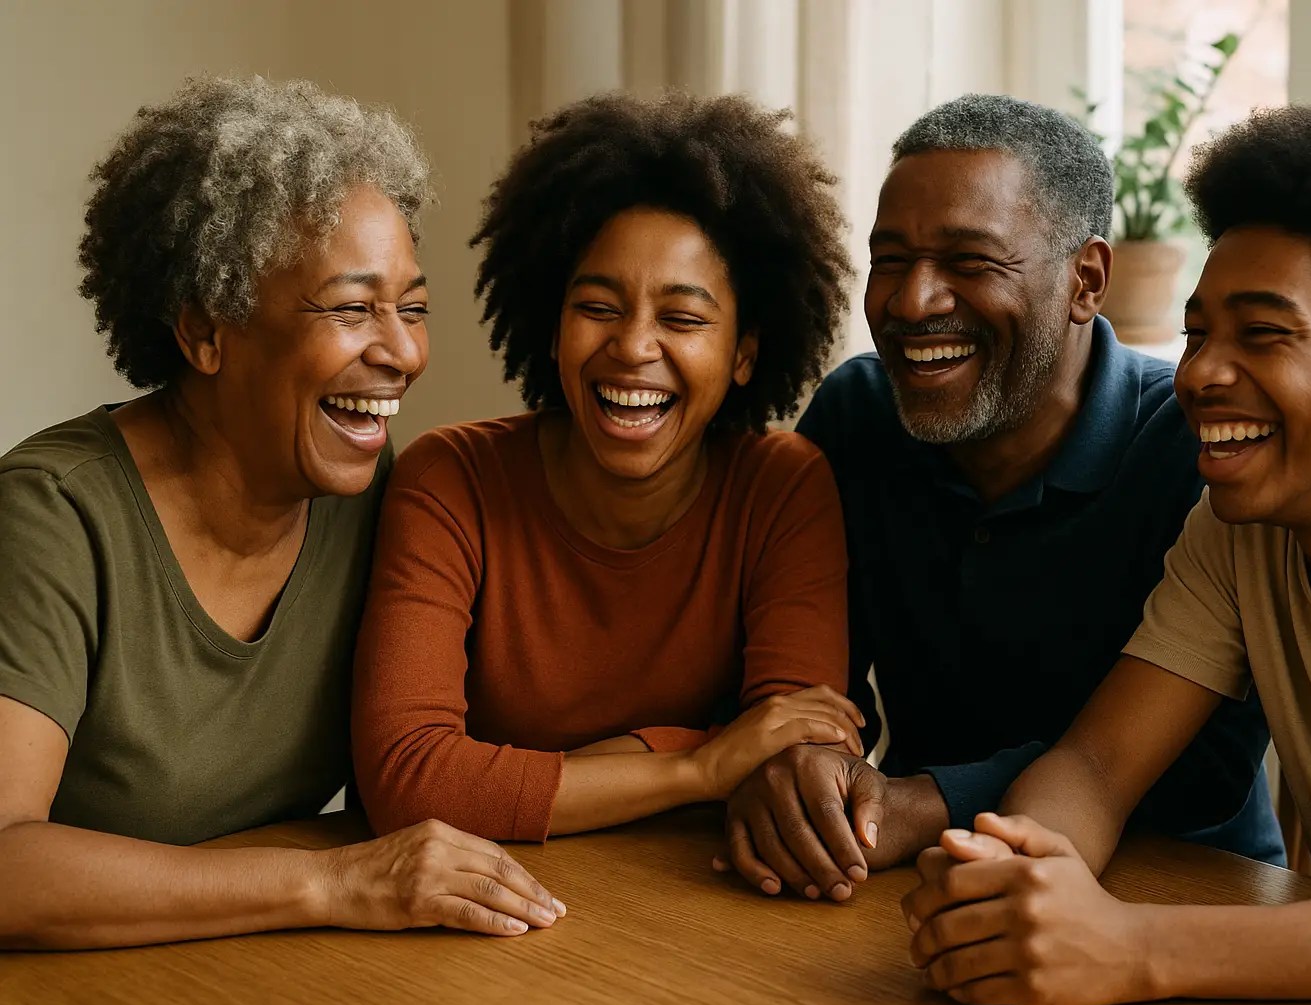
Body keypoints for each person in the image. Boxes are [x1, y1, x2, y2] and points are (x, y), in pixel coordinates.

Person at [903, 101, 1311, 1005]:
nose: (1198, 372)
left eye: (1264, 333)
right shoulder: (1241, 535)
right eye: (1198, 332)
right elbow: (1096, 769)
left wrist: (1135, 949)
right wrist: (1010, 873)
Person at [0, 76, 563, 950]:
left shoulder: (374, 496)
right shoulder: (53, 516)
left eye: (412, 308)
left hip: (259, 976)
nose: (405, 352)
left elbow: (473, 742)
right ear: (205, 332)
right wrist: (332, 881)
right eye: (350, 309)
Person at [716, 93, 1278, 904]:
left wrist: (928, 799)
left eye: (970, 262)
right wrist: (810, 765)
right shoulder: (857, 415)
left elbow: (1200, 766)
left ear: (1086, 280)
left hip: (1186, 893)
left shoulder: (1194, 446)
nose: (913, 302)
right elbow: (812, 678)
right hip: (909, 878)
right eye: (892, 259)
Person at [350, 92, 860, 843]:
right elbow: (408, 782)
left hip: (681, 911)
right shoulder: (450, 481)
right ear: (551, 327)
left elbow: (793, 760)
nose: (632, 346)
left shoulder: (782, 489)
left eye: (683, 319)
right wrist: (702, 763)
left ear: (746, 351)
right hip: (479, 913)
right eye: (597, 306)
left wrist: (517, 777)